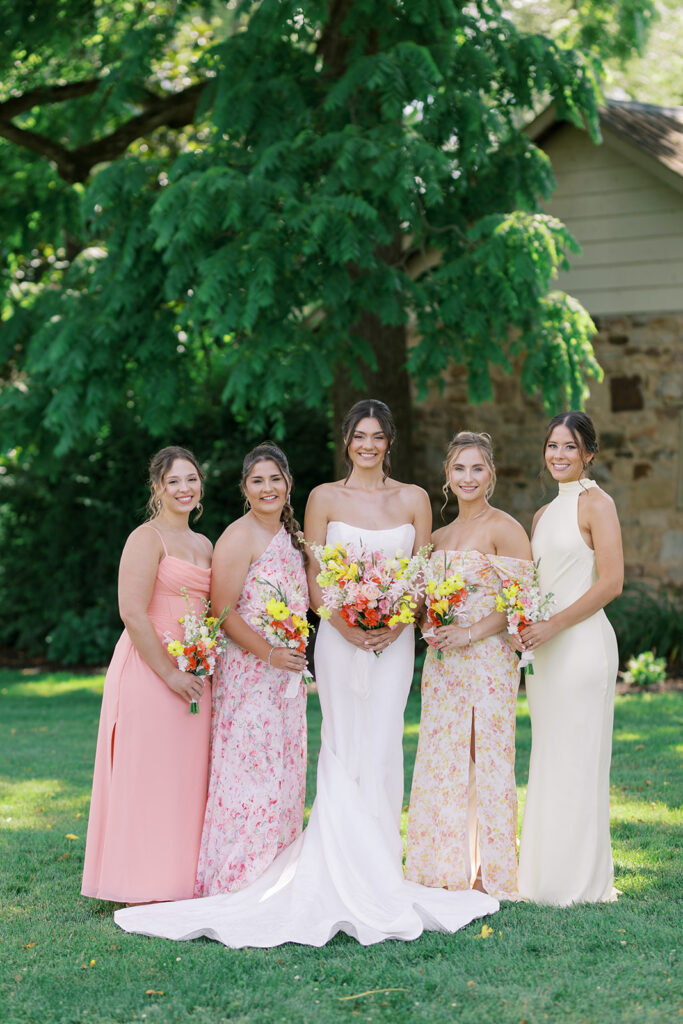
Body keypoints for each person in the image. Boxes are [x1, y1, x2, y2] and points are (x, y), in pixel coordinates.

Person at [114, 400, 497, 945]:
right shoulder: (321, 498)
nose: (368, 444)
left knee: (384, 740)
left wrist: (396, 619)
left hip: (394, 641)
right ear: (346, 441)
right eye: (359, 435)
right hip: (338, 640)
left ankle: (382, 864)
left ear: (390, 441)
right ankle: (328, 861)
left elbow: (421, 571)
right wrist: (343, 624)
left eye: (378, 436)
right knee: (341, 742)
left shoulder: (414, 499)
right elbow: (314, 577)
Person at [405, 431, 533, 900]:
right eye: (459, 468)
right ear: (447, 475)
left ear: (491, 474)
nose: (468, 477)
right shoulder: (437, 538)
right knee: (443, 761)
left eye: (477, 468)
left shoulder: (505, 528)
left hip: (487, 658)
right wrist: (426, 623)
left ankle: (491, 873)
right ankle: (442, 867)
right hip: (443, 665)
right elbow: (422, 604)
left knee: (486, 757)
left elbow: (521, 604)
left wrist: (471, 632)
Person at [82, 446, 213, 904]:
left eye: (191, 479)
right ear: (157, 487)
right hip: (150, 670)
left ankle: (179, 879)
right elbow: (132, 613)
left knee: (185, 776)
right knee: (149, 772)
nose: (184, 489)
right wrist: (170, 674)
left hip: (196, 673)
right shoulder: (146, 537)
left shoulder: (204, 544)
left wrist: (196, 666)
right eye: (174, 481)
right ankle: (138, 881)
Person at [518, 411, 623, 905]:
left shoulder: (596, 504)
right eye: (552, 446)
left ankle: (581, 882)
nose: (559, 455)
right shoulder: (541, 515)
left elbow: (611, 583)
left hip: (581, 650)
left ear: (589, 454)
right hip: (545, 656)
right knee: (550, 755)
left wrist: (554, 625)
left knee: (580, 759)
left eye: (569, 447)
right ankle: (543, 879)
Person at [194, 443, 309, 896]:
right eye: (257, 480)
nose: (267, 488)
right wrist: (269, 653)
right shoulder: (237, 537)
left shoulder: (293, 538)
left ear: (288, 484)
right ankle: (240, 880)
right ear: (245, 488)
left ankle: (277, 878)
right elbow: (220, 610)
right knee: (252, 778)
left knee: (285, 776)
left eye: (275, 479)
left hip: (287, 681)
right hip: (249, 678)